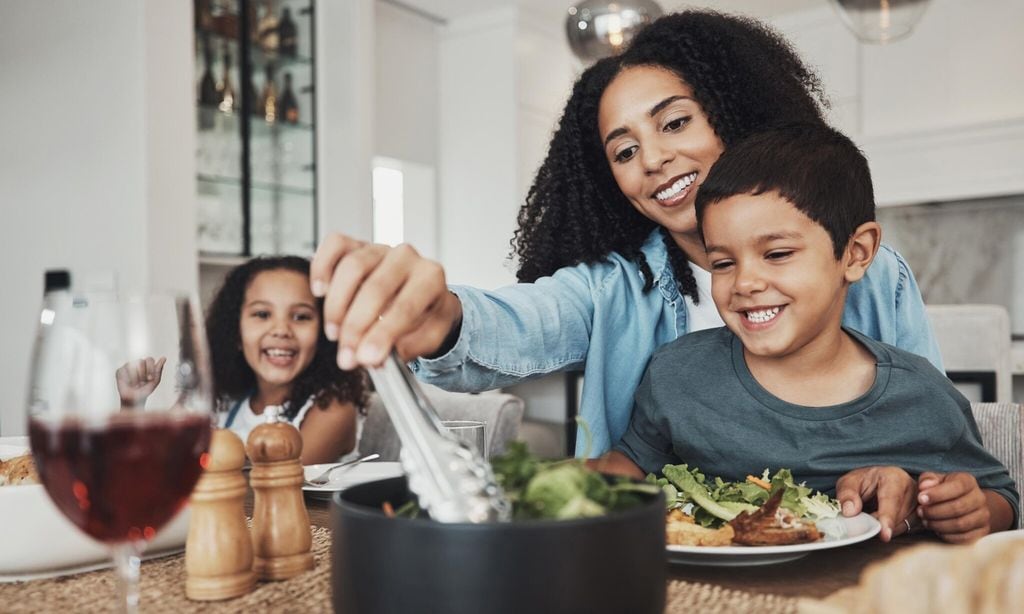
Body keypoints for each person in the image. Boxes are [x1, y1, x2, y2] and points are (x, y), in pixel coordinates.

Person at [309, 11, 941, 459]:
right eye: (623, 150)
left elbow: (932, 436)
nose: (653, 159)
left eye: (675, 122)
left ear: (736, 114)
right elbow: (512, 323)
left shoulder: (875, 274)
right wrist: (439, 317)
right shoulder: (616, 287)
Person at [598, 123, 1017, 544]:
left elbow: (999, 497)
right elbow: (631, 462)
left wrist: (972, 510)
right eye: (723, 263)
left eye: (777, 254)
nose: (744, 283)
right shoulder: (677, 373)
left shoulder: (922, 396)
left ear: (855, 254)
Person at [205, 255, 367, 465]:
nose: (281, 330)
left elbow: (276, 482)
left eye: (301, 317)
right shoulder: (226, 404)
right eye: (262, 314)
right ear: (235, 332)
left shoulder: (333, 410)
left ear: (324, 334)